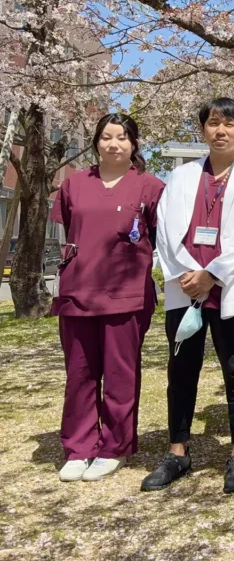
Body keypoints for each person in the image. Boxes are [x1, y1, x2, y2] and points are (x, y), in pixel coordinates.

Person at [144, 97, 234, 494]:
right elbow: (165, 229)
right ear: (202, 130)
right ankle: (178, 451)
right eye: (214, 123)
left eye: (230, 124)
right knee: (181, 370)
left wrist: (213, 274)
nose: (221, 131)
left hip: (230, 287)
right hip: (185, 287)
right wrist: (189, 273)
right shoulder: (181, 176)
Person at [51, 113, 164, 482]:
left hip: (127, 294)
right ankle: (78, 446)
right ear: (96, 141)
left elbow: (159, 237)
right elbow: (72, 229)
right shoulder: (74, 184)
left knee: (120, 373)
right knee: (79, 372)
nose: (113, 144)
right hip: (78, 290)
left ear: (134, 143)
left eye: (122, 137)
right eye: (106, 137)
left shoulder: (151, 187)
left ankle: (115, 446)